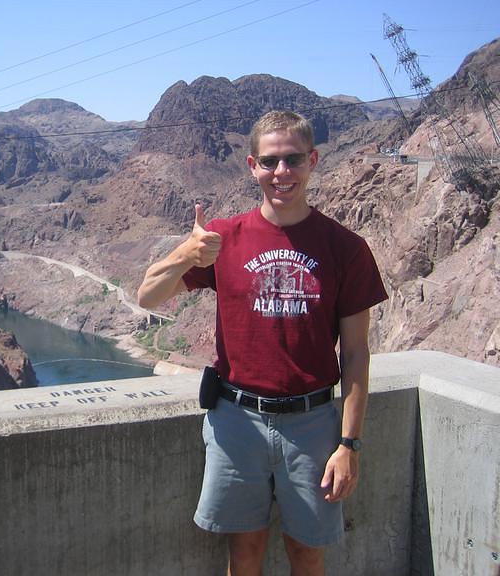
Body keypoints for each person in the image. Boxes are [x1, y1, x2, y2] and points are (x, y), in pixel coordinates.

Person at [137, 110, 388, 575]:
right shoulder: (224, 238)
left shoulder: (345, 248)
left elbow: (355, 354)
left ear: (312, 161)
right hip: (236, 422)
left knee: (308, 554)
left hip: (312, 425)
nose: (282, 173)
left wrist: (349, 444)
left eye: (293, 159)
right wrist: (184, 254)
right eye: (270, 162)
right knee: (244, 555)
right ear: (252, 165)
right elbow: (147, 293)